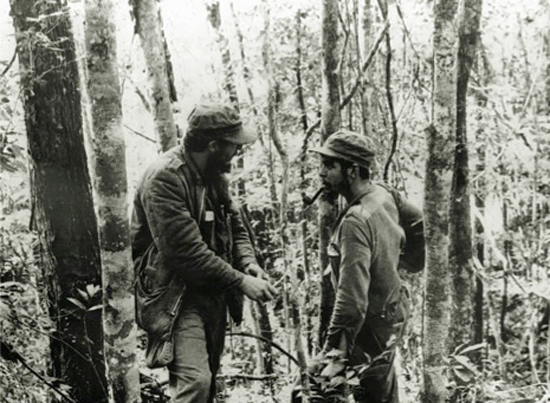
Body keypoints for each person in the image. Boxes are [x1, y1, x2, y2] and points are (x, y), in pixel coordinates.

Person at [131, 103, 277, 403]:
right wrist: (240, 282)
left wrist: (247, 263)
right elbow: (185, 253)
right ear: (213, 146)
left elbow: (235, 224)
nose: (237, 153)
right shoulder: (164, 178)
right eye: (233, 146)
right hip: (174, 295)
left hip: (210, 290)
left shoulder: (213, 174)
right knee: (195, 382)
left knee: (207, 384)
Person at [308, 130, 421, 403]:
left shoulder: (355, 223)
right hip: (392, 313)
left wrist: (333, 352)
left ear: (353, 171)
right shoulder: (383, 193)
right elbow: (417, 221)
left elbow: (351, 299)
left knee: (322, 389)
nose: (321, 173)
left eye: (330, 165)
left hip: (369, 327)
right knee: (381, 391)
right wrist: (407, 263)